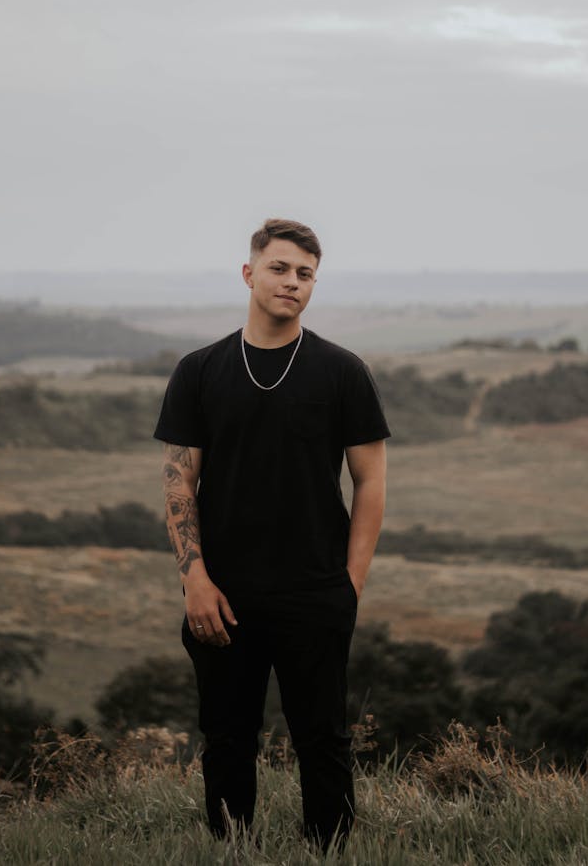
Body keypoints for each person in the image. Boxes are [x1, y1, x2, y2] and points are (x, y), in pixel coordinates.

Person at [153, 218, 389, 849]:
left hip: (315, 589)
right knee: (227, 741)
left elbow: (370, 482)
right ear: (249, 272)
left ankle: (329, 856)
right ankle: (233, 855)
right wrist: (194, 580)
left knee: (324, 741)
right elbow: (179, 482)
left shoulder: (342, 371)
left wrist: (350, 585)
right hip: (222, 593)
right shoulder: (199, 371)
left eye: (305, 273)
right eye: (280, 268)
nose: (292, 282)